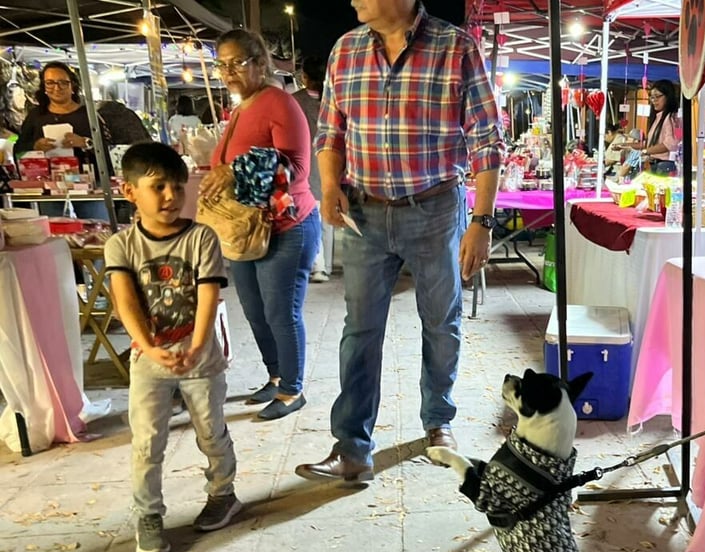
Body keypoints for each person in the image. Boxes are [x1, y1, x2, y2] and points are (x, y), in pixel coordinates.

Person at [295, 0, 503, 485]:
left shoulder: (456, 47)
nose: (351, 0)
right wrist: (329, 186)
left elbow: (486, 140)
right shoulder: (346, 51)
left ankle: (438, 422)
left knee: (440, 321)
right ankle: (351, 447)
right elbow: (330, 132)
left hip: (435, 209)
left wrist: (482, 220)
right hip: (365, 213)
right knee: (359, 331)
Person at [105, 142, 241, 552]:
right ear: (130, 192)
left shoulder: (201, 237)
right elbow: (125, 302)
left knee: (211, 431)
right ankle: (148, 514)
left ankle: (223, 493)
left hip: (201, 358)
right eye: (157, 186)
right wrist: (148, 347)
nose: (169, 196)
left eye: (177, 187)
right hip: (149, 361)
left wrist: (198, 346)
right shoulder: (121, 245)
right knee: (147, 441)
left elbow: (207, 297)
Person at [199, 29, 321, 421]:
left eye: (238, 62)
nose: (229, 71)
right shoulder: (242, 107)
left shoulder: (279, 103)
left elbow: (298, 169)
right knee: (254, 309)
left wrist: (235, 172)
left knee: (281, 311)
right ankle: (275, 374)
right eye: (222, 64)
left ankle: (292, 389)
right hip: (248, 231)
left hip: (287, 226)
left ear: (260, 63)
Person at [13, 62, 108, 219]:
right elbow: (19, 150)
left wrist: (85, 143)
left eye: (63, 82)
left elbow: (108, 150)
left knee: (97, 230)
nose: (57, 88)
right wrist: (35, 147)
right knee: (54, 235)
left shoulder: (89, 114)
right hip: (49, 187)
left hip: (88, 186)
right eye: (50, 83)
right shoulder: (36, 116)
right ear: (43, 86)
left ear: (73, 86)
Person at [292, 56, 333, 283]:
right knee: (327, 218)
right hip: (330, 164)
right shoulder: (332, 99)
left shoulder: (294, 101)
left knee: (309, 216)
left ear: (304, 77)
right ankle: (324, 265)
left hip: (304, 166)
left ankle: (315, 265)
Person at [625, 80, 680, 175]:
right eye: (652, 97)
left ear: (668, 96)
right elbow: (651, 143)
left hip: (665, 166)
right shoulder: (658, 117)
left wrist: (645, 151)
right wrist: (625, 145)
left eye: (658, 96)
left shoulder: (670, 117)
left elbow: (670, 144)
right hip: (655, 165)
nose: (654, 100)